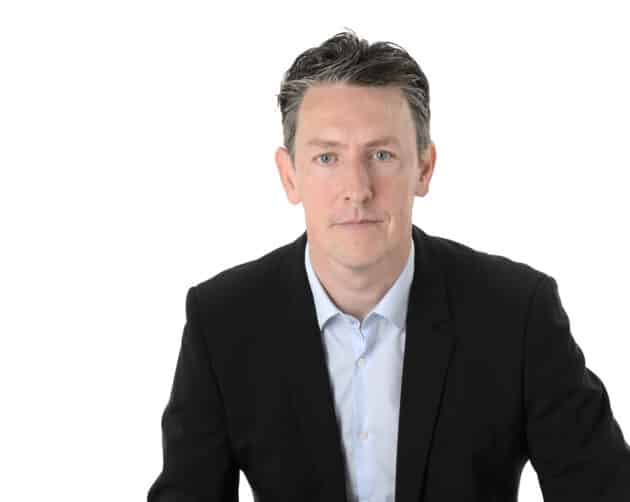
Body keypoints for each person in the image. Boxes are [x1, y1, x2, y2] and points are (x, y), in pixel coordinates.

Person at [147, 29, 630, 502]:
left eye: (381, 154)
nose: (356, 187)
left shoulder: (516, 312)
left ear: (423, 168)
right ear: (289, 175)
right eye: (326, 157)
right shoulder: (223, 320)